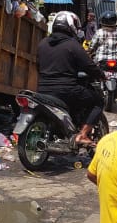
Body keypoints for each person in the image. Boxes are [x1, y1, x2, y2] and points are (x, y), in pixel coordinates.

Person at [38, 11, 104, 146]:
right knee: (98, 100)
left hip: (42, 89)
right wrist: (100, 75)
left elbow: (37, 66)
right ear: (71, 26)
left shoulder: (42, 43)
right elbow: (89, 66)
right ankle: (83, 134)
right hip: (66, 90)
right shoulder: (72, 45)